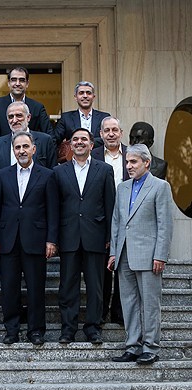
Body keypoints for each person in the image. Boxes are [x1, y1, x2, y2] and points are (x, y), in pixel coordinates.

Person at [0, 131, 59, 345]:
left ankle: (36, 331)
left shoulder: (47, 175)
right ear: (13, 150)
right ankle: (11, 330)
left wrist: (51, 240)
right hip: (8, 239)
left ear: (34, 149)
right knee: (9, 287)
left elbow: (53, 210)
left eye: (25, 146)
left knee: (36, 288)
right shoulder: (2, 175)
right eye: (17, 147)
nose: (21, 150)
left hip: (36, 240)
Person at [109, 144, 173, 365]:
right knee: (129, 303)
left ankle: (150, 347)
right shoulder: (122, 188)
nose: (129, 166)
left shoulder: (160, 186)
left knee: (150, 303)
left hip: (149, 256)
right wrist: (113, 252)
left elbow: (165, 224)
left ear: (147, 162)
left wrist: (161, 255)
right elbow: (116, 222)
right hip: (124, 254)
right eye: (127, 162)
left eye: (133, 162)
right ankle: (133, 347)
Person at [54, 128, 115, 344]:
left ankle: (93, 328)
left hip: (95, 236)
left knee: (95, 286)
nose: (79, 142)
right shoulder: (58, 171)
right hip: (68, 236)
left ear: (92, 144)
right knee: (67, 286)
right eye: (75, 140)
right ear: (70, 145)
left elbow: (110, 206)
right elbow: (55, 208)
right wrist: (54, 238)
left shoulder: (105, 170)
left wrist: (110, 237)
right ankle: (68, 329)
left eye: (84, 139)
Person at [91, 116, 130, 325]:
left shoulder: (131, 155)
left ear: (121, 133)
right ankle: (101, 311)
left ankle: (119, 312)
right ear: (101, 134)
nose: (111, 134)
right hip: (101, 220)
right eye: (107, 130)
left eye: (115, 130)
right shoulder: (93, 155)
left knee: (124, 267)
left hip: (128, 219)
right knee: (103, 270)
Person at [0, 101, 56, 186]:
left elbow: (52, 175)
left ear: (28, 117)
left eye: (19, 115)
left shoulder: (45, 140)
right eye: (11, 117)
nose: (14, 120)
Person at [0, 67, 53, 141]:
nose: (17, 84)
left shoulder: (37, 107)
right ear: (8, 83)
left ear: (27, 84)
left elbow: (49, 135)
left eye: (21, 80)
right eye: (14, 80)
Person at [53, 81, 111, 161]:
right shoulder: (66, 118)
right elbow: (55, 140)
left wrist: (83, 141)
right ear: (75, 97)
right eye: (81, 93)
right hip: (74, 161)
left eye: (88, 93)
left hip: (99, 160)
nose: (85, 96)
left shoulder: (104, 117)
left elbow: (107, 138)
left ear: (93, 97)